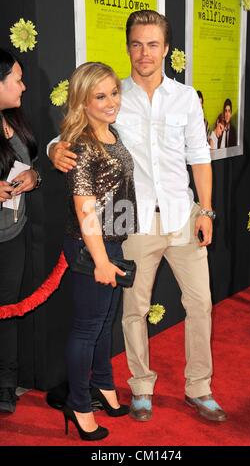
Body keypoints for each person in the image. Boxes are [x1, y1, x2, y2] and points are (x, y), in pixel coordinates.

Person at [48, 10, 227, 423]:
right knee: (134, 309)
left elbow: (200, 158)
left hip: (183, 216)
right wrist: (54, 148)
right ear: (128, 46)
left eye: (152, 44)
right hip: (136, 222)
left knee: (200, 304)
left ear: (166, 48)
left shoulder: (185, 97)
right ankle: (141, 386)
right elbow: (76, 127)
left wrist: (206, 210)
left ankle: (199, 387)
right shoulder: (115, 94)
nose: (143, 53)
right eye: (136, 44)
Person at [59, 61, 137, 441]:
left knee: (105, 323)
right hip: (92, 247)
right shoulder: (82, 145)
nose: (111, 102)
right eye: (100, 96)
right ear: (83, 101)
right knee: (87, 329)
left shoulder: (112, 133)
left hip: (113, 241)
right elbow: (84, 207)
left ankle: (104, 386)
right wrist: (102, 259)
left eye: (114, 92)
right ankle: (78, 403)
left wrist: (113, 250)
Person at [0, 48, 42, 413]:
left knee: (8, 313)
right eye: (16, 78)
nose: (24, 86)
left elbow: (34, 162)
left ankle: (6, 386)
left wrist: (34, 176)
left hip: (13, 236)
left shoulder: (14, 121)